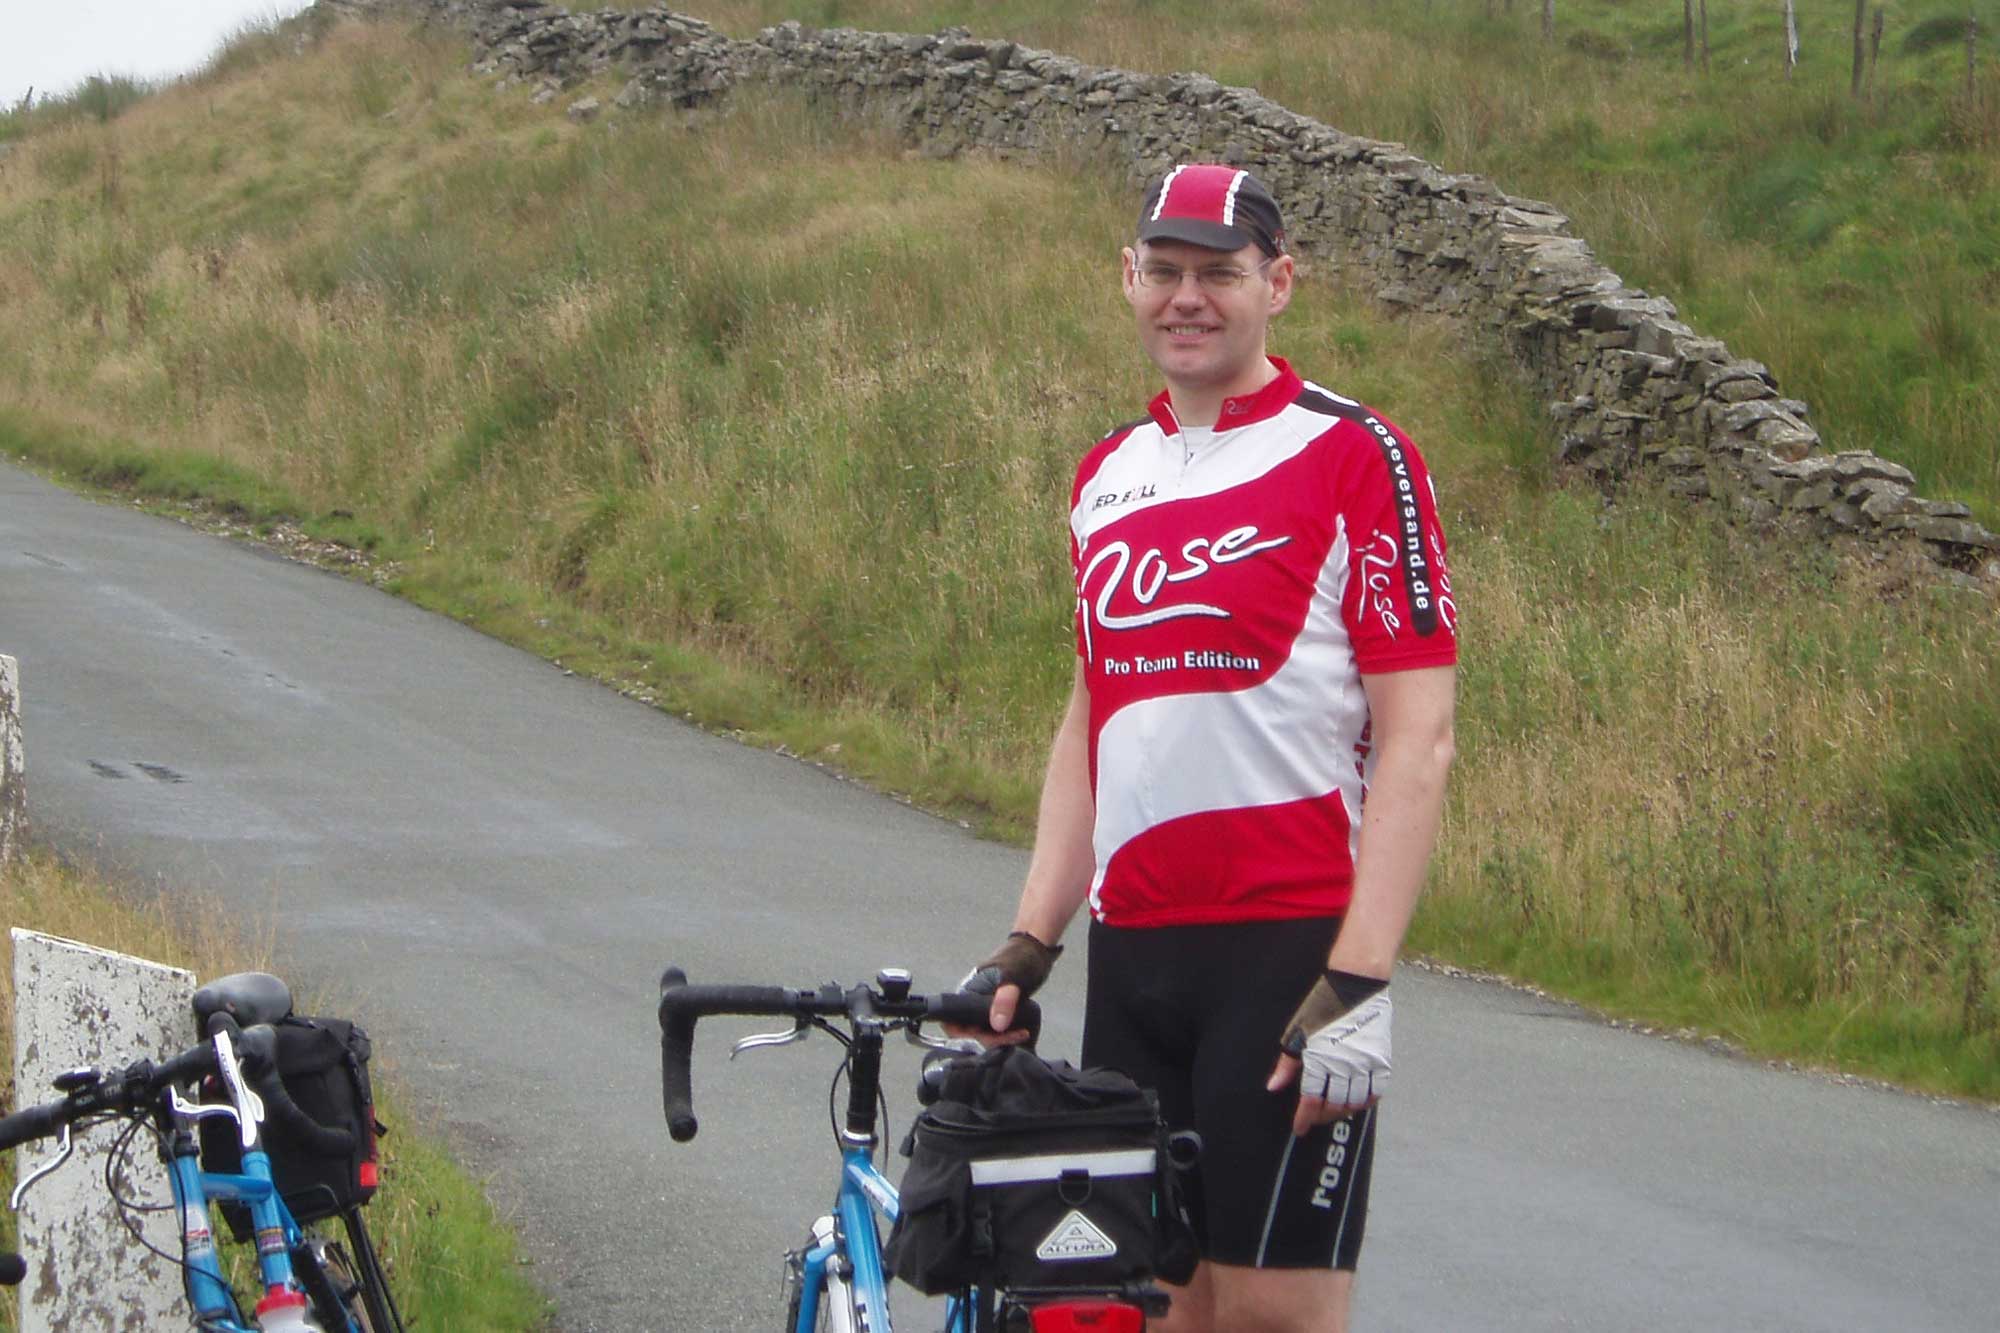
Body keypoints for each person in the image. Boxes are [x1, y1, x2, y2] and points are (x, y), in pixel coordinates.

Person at [958, 163, 1458, 1333]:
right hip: (1135, 959)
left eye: (1219, 274)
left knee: (1274, 1311)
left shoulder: (1355, 456)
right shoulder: (1102, 477)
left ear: (1276, 283)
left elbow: (1417, 735)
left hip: (1286, 954)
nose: (1188, 298)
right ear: (1127, 280)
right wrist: (1031, 941)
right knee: (1148, 1307)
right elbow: (1093, 719)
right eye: (1164, 272)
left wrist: (1359, 976)